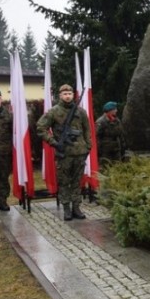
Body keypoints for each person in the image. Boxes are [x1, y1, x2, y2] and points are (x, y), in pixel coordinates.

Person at [37, 84, 92, 221]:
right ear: (60, 96)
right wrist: (53, 142)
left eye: (70, 94)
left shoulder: (80, 111)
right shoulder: (54, 111)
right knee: (64, 182)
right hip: (64, 154)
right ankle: (66, 208)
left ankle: (76, 207)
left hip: (79, 152)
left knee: (77, 181)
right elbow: (41, 128)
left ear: (73, 95)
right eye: (65, 94)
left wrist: (88, 146)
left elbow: (87, 129)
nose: (68, 96)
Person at [95, 101, 125, 166]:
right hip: (105, 151)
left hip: (116, 150)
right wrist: (99, 150)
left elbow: (121, 134)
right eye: (114, 109)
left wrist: (123, 147)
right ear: (110, 110)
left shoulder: (116, 120)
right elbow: (96, 136)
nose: (116, 111)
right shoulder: (101, 121)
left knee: (118, 167)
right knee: (105, 167)